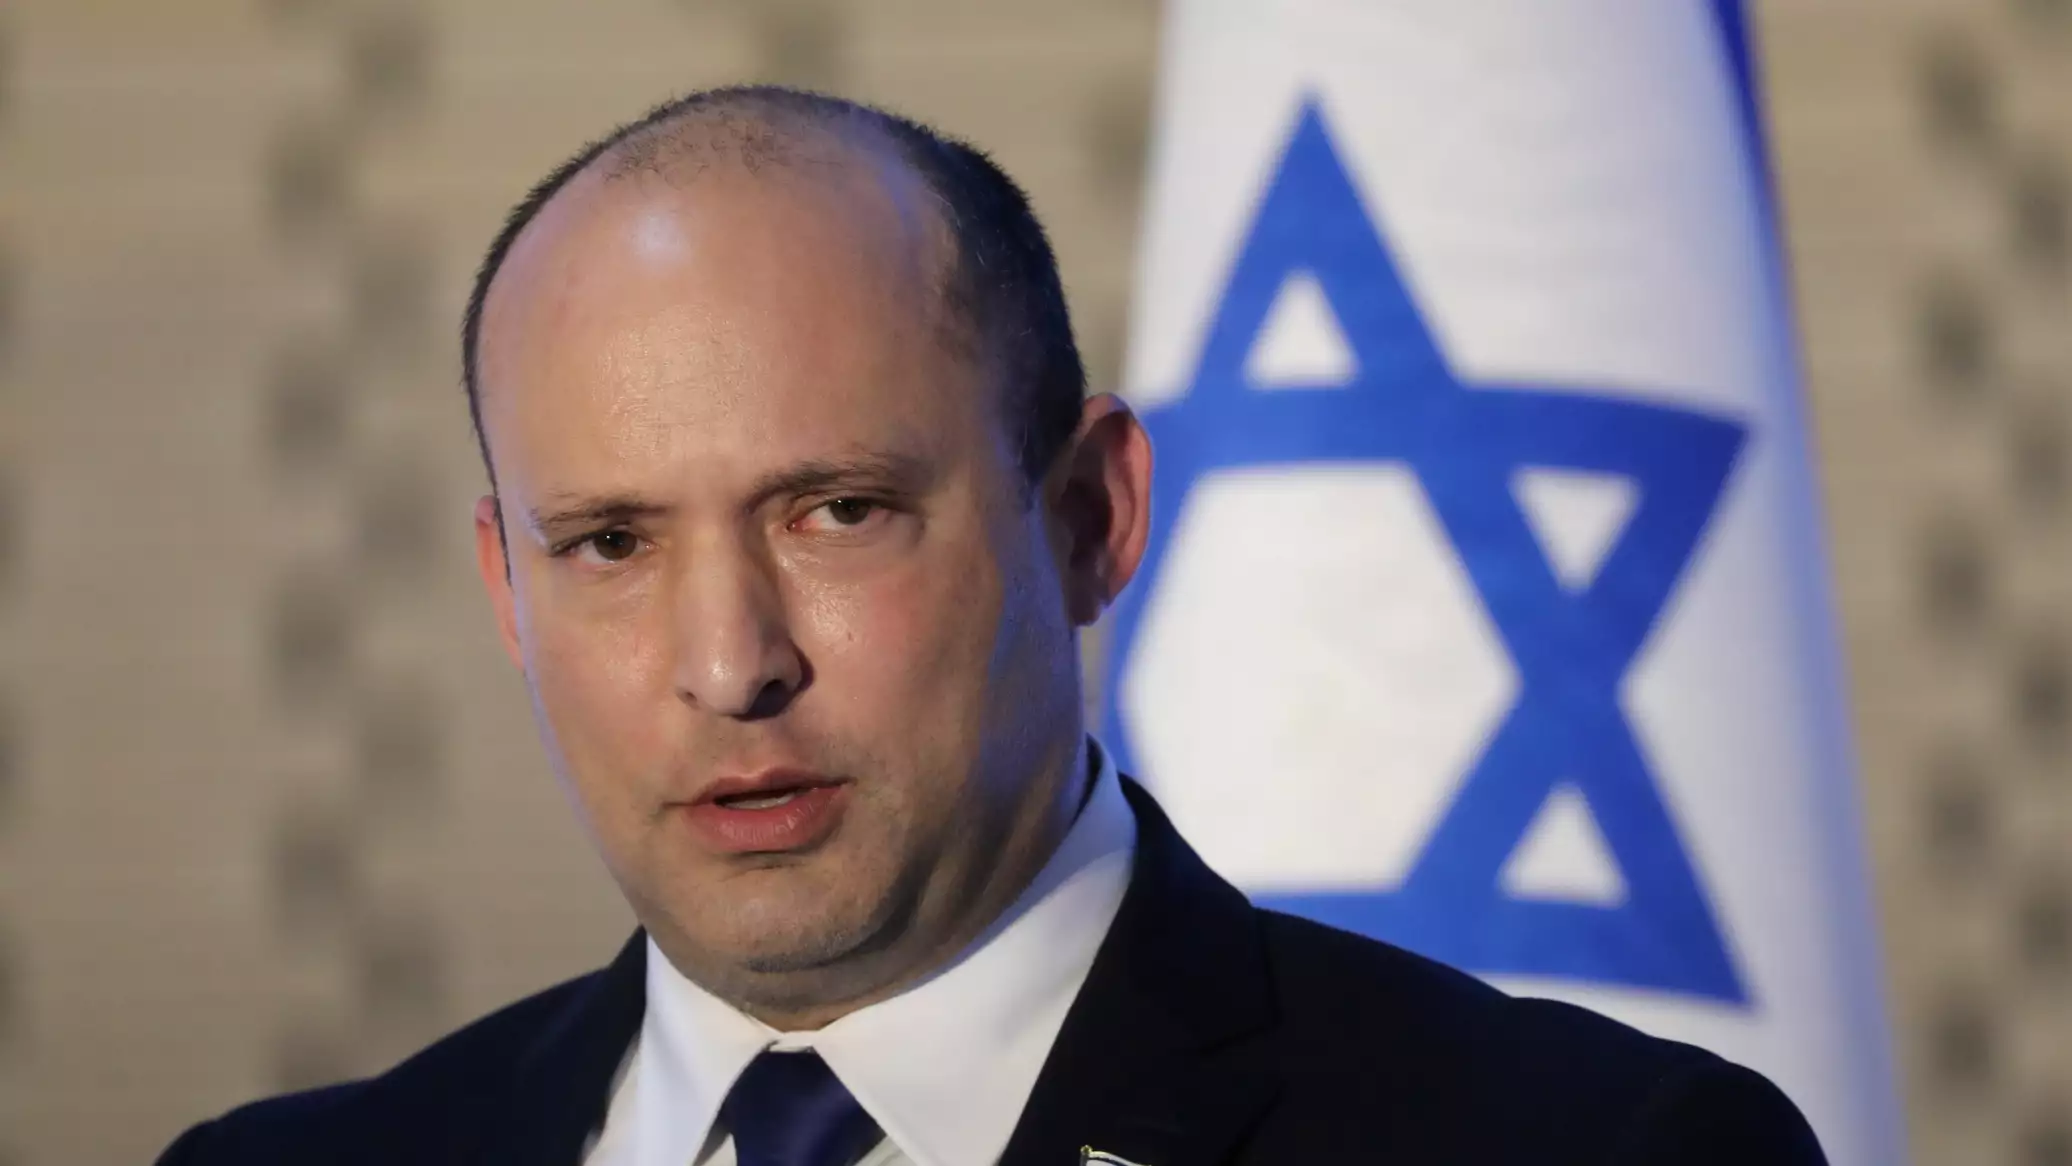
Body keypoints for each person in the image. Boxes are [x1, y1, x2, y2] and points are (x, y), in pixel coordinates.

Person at [155, 86, 1826, 1166]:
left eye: (838, 511)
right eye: (608, 543)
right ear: (506, 595)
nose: (729, 664)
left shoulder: (1597, 1147)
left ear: (1091, 514)